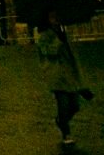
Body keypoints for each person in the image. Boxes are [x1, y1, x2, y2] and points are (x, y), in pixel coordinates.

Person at [36, 8, 91, 145]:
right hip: (57, 75)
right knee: (63, 105)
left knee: (75, 106)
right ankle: (66, 133)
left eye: (57, 17)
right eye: (52, 17)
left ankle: (61, 121)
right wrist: (57, 41)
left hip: (70, 74)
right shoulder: (44, 35)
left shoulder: (64, 32)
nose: (56, 20)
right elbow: (48, 53)